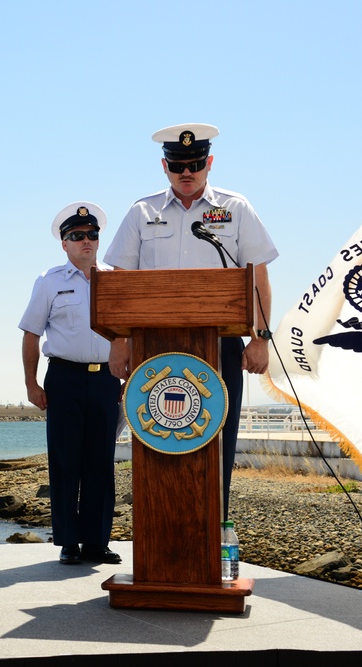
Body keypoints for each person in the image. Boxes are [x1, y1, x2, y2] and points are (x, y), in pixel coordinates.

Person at [104, 123, 278, 519]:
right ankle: (157, 548)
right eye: (178, 164)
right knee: (158, 443)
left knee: (217, 445)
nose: (187, 172)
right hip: (153, 351)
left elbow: (259, 278)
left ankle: (213, 541)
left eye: (196, 164)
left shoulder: (235, 209)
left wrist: (261, 338)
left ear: (209, 163)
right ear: (164, 166)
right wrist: (119, 342)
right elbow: (119, 284)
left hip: (218, 347)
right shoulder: (141, 212)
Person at [19, 202, 123, 565]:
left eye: (92, 235)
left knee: (100, 463)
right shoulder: (49, 282)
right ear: (64, 244)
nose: (86, 242)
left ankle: (97, 542)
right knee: (66, 463)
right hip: (64, 378)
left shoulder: (116, 279)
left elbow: (128, 333)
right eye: (77, 237)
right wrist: (32, 384)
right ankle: (69, 542)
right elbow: (31, 333)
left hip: (107, 381)